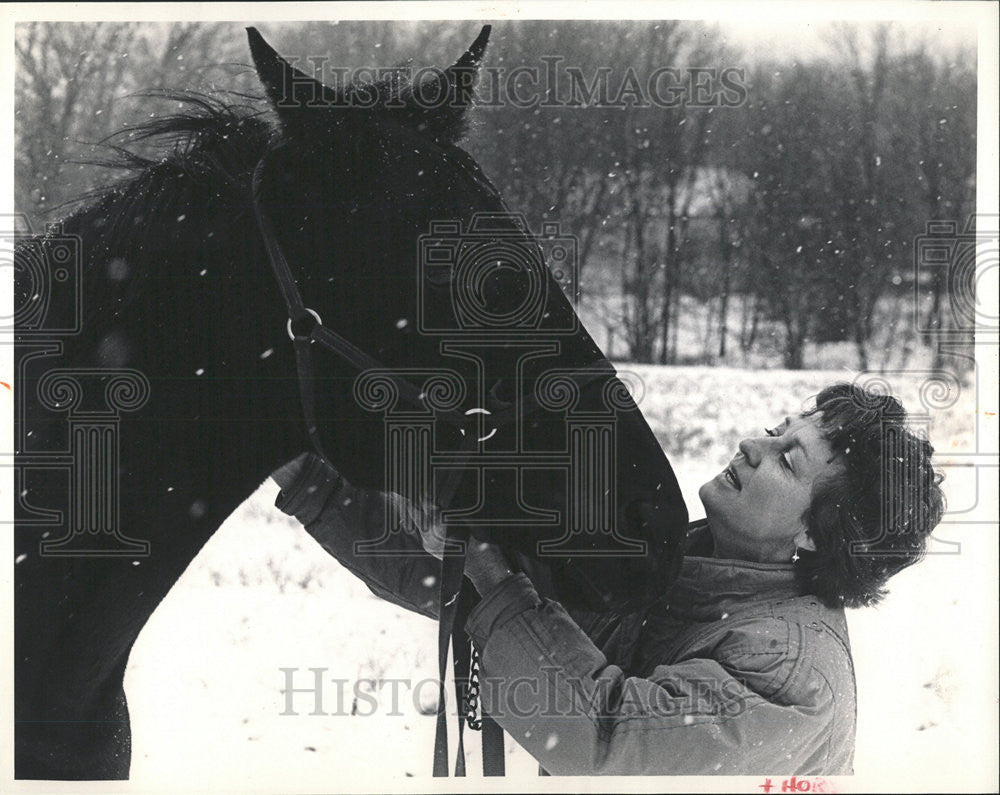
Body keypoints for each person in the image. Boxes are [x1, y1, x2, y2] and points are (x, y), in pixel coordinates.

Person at [270, 382, 943, 775]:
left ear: (816, 537)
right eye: (776, 429)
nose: (752, 444)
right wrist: (307, 477)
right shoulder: (680, 572)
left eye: (787, 460)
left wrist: (492, 574)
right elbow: (467, 584)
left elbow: (603, 742)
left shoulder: (794, 679)